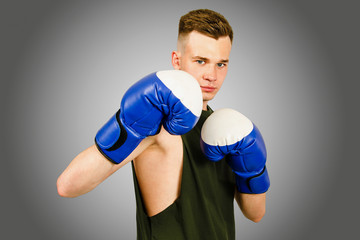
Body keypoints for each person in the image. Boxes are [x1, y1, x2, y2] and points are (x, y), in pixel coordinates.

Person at [57, 9, 269, 240]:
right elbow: (68, 185)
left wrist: (254, 167)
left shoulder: (226, 131)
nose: (212, 75)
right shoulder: (158, 126)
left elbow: (255, 214)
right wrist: (129, 124)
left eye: (221, 64)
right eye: (201, 61)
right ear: (177, 61)